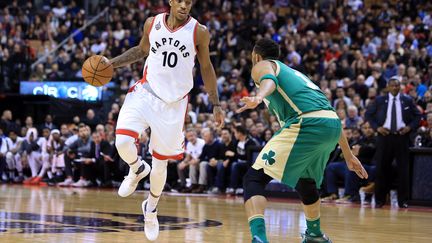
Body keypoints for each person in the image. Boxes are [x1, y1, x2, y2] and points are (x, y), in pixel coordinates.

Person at [108, 0, 224, 240]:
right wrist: (112, 63)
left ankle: (150, 209)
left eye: (189, 2)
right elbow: (141, 50)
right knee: (121, 143)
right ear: (171, 2)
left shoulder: (199, 31)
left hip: (173, 104)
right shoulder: (152, 23)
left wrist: (215, 103)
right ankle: (136, 168)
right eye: (180, 1)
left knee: (160, 166)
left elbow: (206, 67)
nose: (184, 5)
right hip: (145, 92)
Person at [236, 38, 367, 243]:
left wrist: (259, 97)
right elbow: (329, 113)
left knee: (253, 179)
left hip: (307, 124)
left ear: (256, 55)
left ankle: (259, 238)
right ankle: (314, 234)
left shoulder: (262, 65)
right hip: (331, 126)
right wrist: (348, 155)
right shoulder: (299, 75)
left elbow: (270, 80)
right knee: (306, 183)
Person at [365, 76, 421, 208]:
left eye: (397, 85)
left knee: (403, 170)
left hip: (402, 137)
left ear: (400, 87)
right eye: (393, 85)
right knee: (381, 169)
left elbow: (418, 116)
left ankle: (403, 201)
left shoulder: (407, 100)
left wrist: (409, 127)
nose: (395, 87)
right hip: (385, 137)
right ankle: (379, 200)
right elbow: (368, 114)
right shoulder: (380, 100)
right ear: (388, 87)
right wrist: (377, 127)